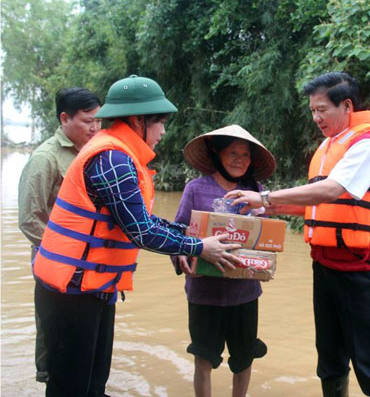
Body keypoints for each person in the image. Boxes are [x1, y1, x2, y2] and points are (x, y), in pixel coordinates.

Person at [31, 75, 242, 397]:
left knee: (93, 385)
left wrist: (185, 235)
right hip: (72, 291)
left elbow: (141, 220)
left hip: (93, 288)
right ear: (138, 120)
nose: (163, 132)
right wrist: (198, 245)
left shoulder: (119, 156)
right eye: (160, 123)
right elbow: (141, 231)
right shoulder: (112, 159)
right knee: (70, 387)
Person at [226, 72, 370, 397]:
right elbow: (317, 208)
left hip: (362, 271)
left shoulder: (367, 144)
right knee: (330, 358)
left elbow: (332, 190)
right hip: (326, 267)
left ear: (346, 106)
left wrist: (265, 198)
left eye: (322, 110)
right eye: (312, 110)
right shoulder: (328, 146)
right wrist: (266, 210)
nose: (315, 117)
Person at [173, 124, 276, 397]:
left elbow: (264, 239)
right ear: (217, 154)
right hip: (204, 293)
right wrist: (181, 253)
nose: (239, 159)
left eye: (245, 154)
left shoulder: (256, 192)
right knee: (203, 357)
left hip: (245, 293)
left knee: (244, 357)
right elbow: (177, 231)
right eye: (232, 152)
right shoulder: (195, 189)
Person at [18, 87, 102, 383]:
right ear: (65, 119)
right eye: (87, 121)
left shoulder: (96, 154)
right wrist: (68, 252)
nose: (95, 128)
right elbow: (30, 220)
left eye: (98, 121)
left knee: (88, 346)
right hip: (57, 268)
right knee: (57, 342)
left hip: (92, 270)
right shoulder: (45, 158)